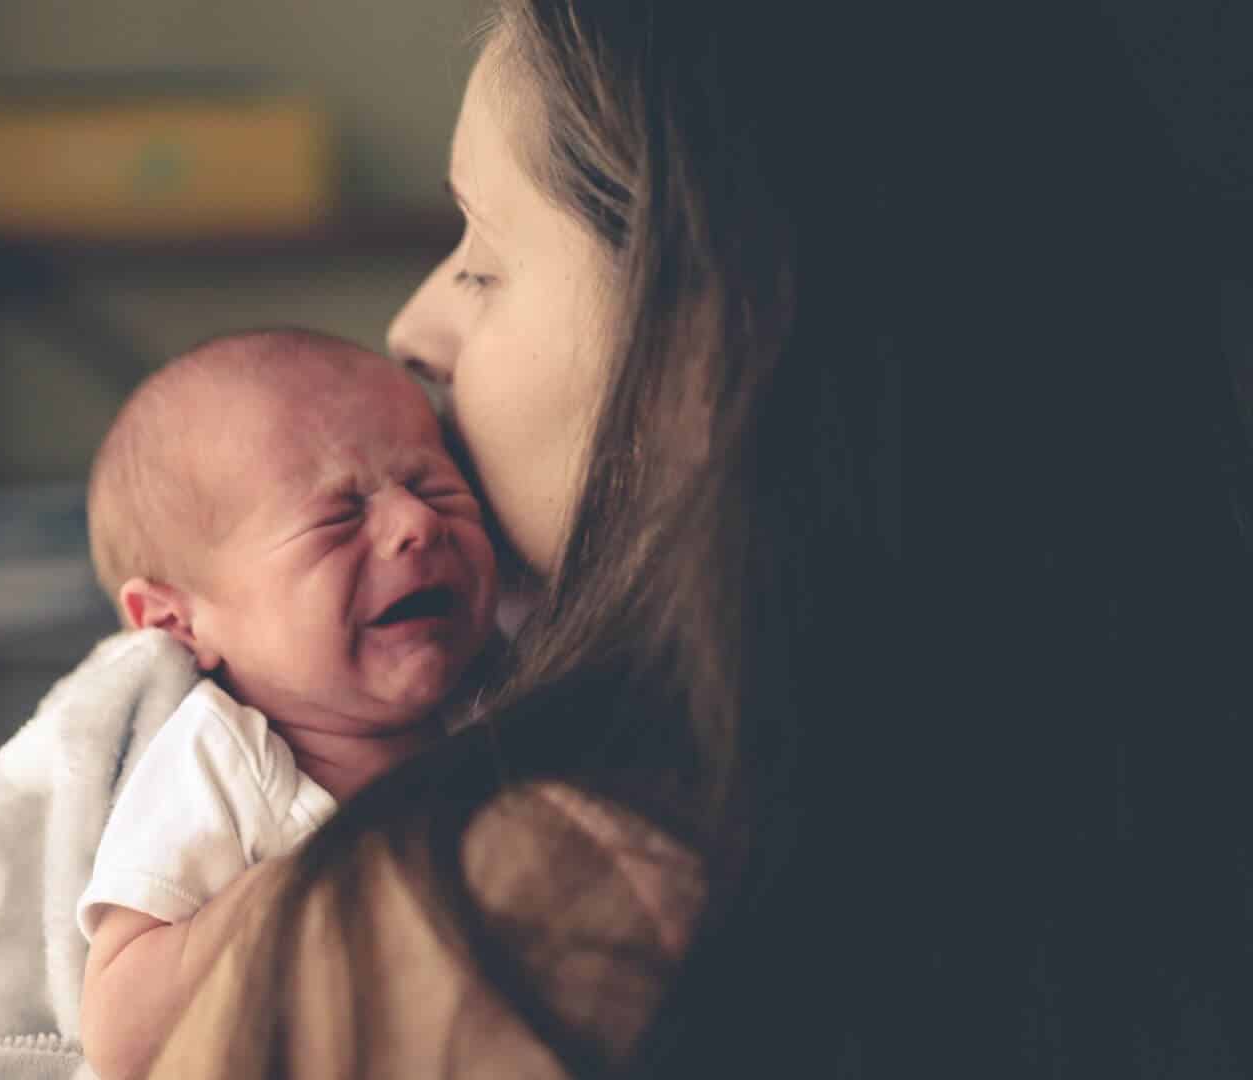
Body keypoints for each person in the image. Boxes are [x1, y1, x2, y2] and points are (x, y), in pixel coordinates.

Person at [142, 1, 1253, 1077]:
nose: (410, 329)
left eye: (482, 256)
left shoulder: (470, 936)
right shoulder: (1147, 797)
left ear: (706, 338)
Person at [76, 328, 500, 1079]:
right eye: (339, 518)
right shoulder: (222, 763)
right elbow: (122, 1036)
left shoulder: (504, 701)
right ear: (180, 620)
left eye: (436, 486)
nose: (417, 523)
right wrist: (298, 888)